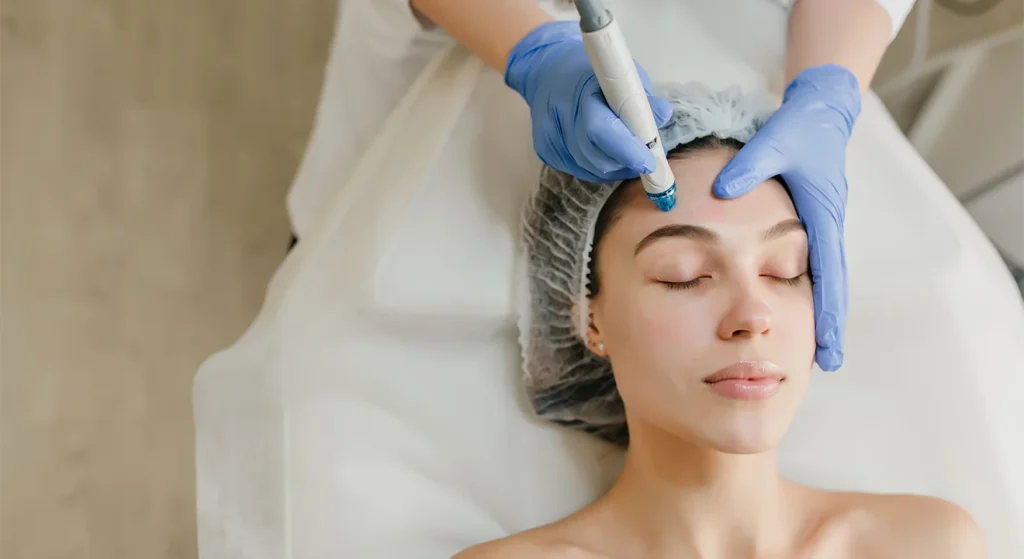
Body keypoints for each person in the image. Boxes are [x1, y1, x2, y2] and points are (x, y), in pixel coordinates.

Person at [454, 82, 985, 558]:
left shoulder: (926, 545)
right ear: (590, 321)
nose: (752, 315)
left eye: (785, 270)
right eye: (683, 275)